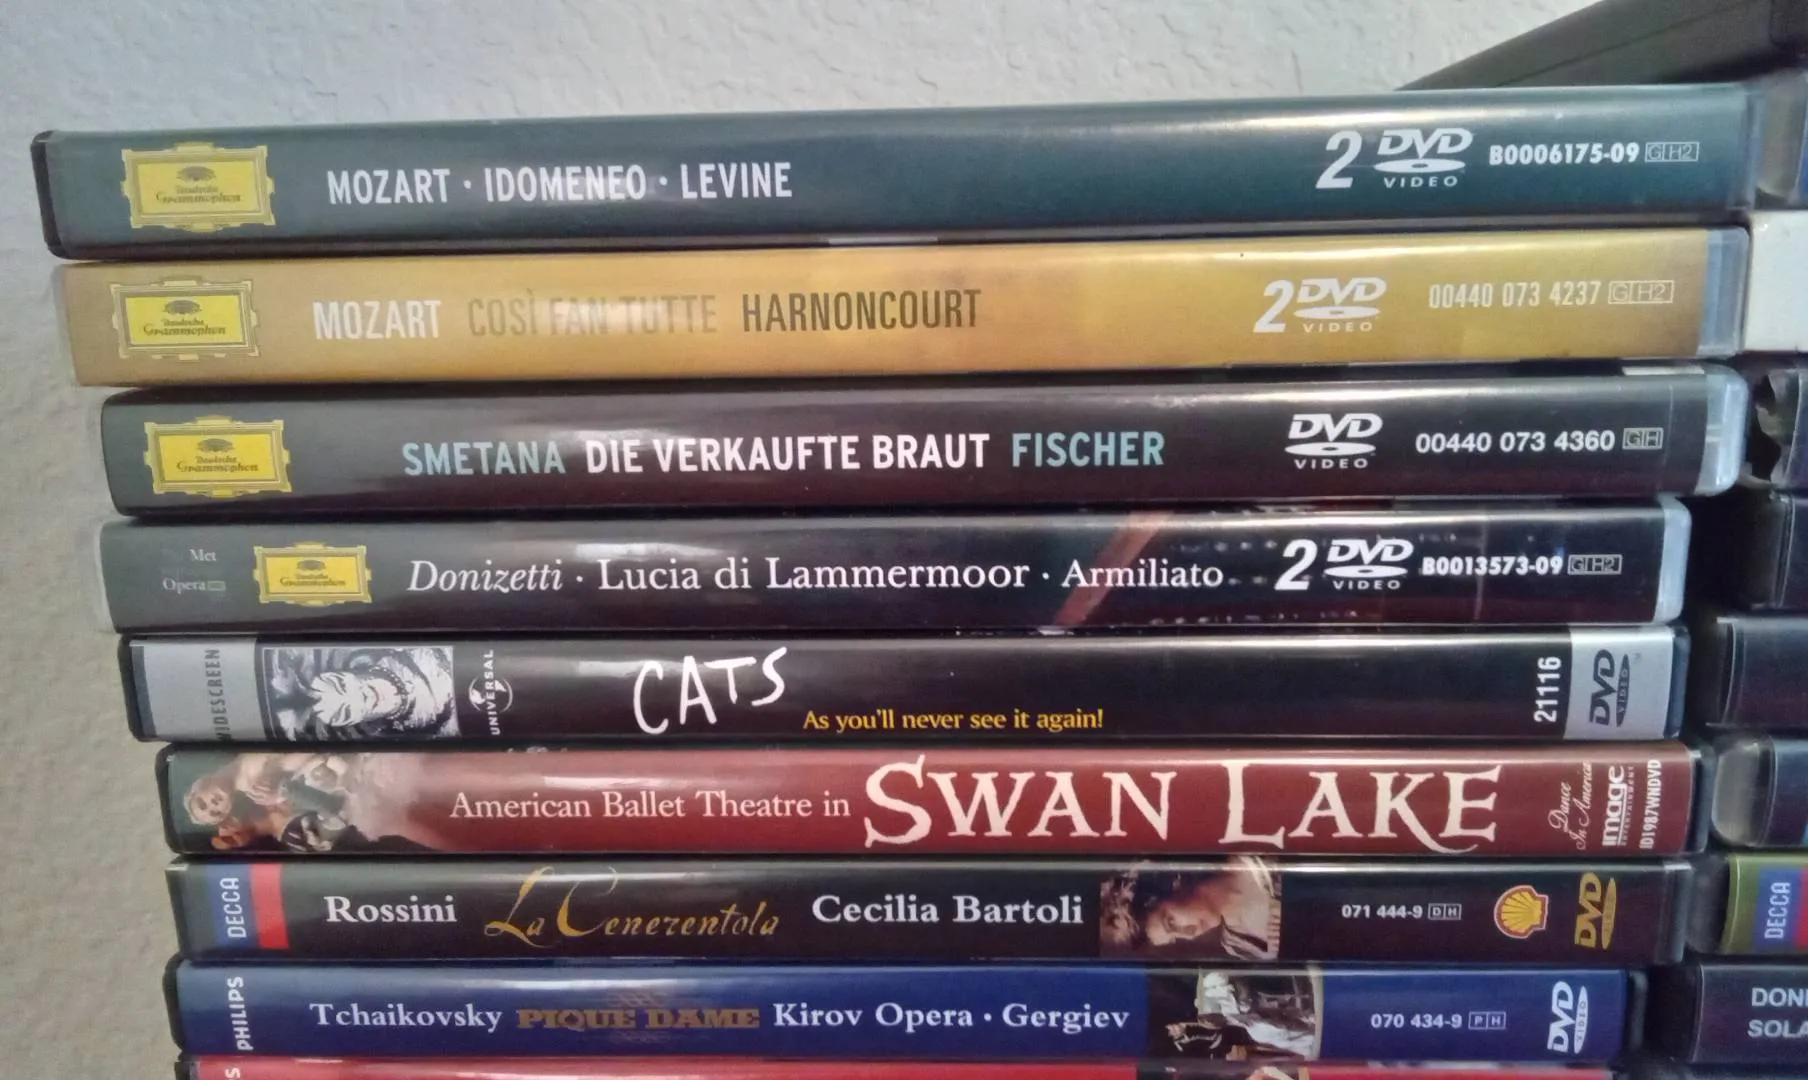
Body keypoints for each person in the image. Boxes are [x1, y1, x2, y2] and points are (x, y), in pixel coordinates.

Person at [263, 645, 457, 739]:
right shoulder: (415, 732)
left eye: (342, 686)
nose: (361, 698)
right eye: (346, 712)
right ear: (350, 724)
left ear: (345, 672)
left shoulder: (407, 649)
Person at [1100, 857, 1279, 958]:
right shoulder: (1238, 945)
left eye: (1171, 922)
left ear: (1173, 886)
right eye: (1174, 938)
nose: (1189, 934)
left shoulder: (1256, 856)